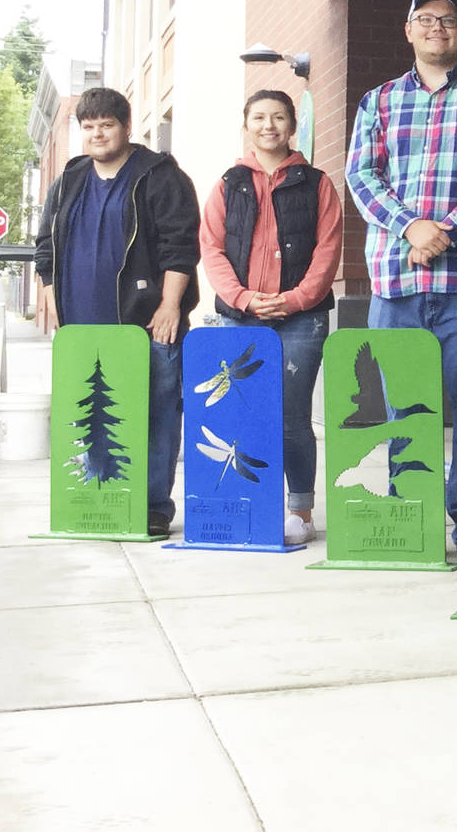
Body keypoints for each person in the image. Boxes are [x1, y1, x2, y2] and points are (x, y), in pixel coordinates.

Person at [345, 0, 457, 565]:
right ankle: (410, 516)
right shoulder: (378, 102)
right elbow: (362, 177)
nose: (436, 29)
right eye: (425, 19)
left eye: (447, 20)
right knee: (401, 403)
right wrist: (409, 228)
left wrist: (442, 228)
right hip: (396, 279)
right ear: (408, 30)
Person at [33, 87, 201, 536]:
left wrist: (170, 306)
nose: (97, 134)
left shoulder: (160, 176)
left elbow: (180, 247)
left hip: (146, 321)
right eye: (88, 127)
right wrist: (52, 298)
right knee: (92, 410)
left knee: (157, 414)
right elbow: (45, 245)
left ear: (126, 127)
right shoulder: (69, 179)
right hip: (82, 326)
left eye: (106, 125)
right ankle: (102, 496)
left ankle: (152, 506)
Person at [199, 90, 343, 548]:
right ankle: (248, 502)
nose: (268, 125)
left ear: (292, 125)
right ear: (247, 125)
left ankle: (300, 510)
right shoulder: (228, 183)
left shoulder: (316, 183)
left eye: (278, 117)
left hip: (302, 319)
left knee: (291, 417)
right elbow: (212, 248)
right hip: (241, 316)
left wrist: (296, 299)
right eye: (259, 117)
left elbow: (328, 249)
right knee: (241, 413)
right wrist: (243, 298)